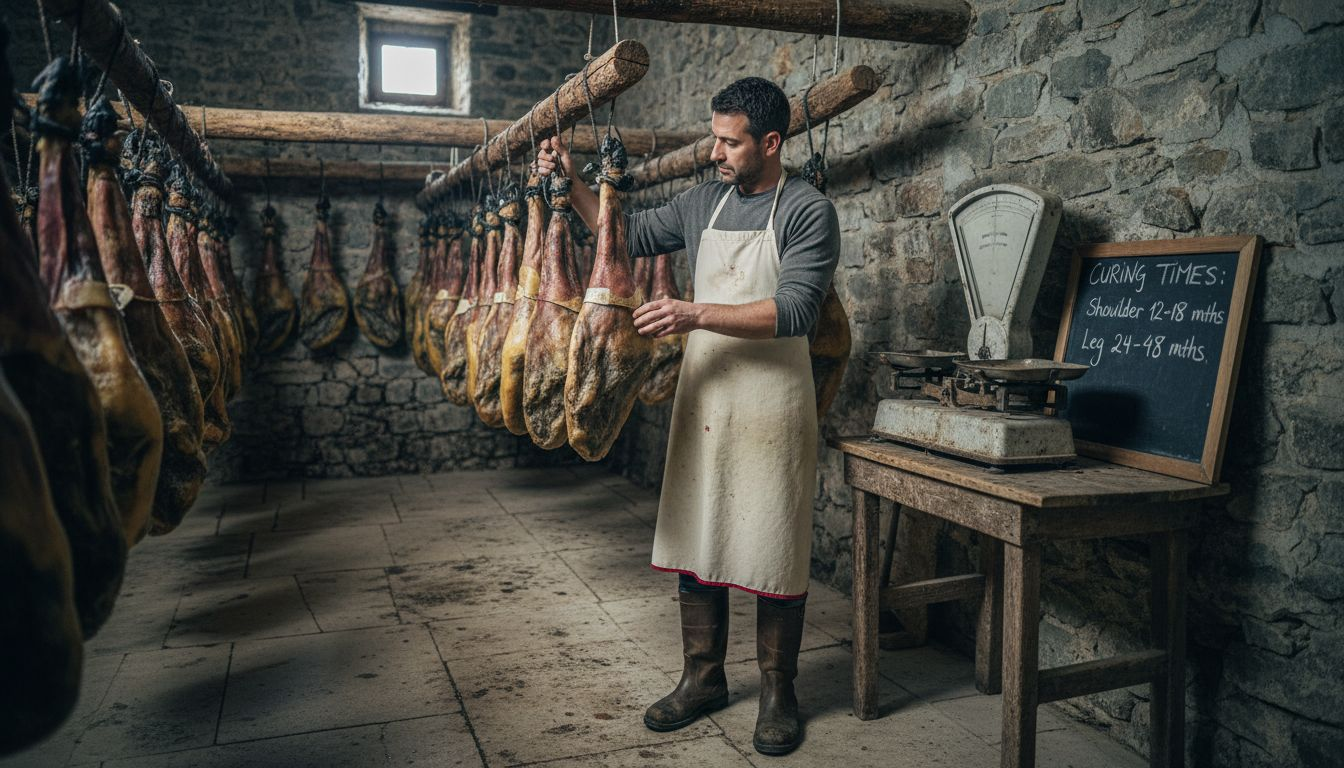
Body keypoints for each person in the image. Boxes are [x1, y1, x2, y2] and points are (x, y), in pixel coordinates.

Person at [535, 76, 840, 756]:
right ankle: (702, 679)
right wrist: (575, 179)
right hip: (706, 398)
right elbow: (625, 232)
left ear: (770, 142)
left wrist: (692, 312)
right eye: (714, 138)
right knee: (697, 539)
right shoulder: (702, 202)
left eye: (730, 143)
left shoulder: (807, 210)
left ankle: (778, 691)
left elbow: (794, 311)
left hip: (771, 404)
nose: (714, 153)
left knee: (773, 544)